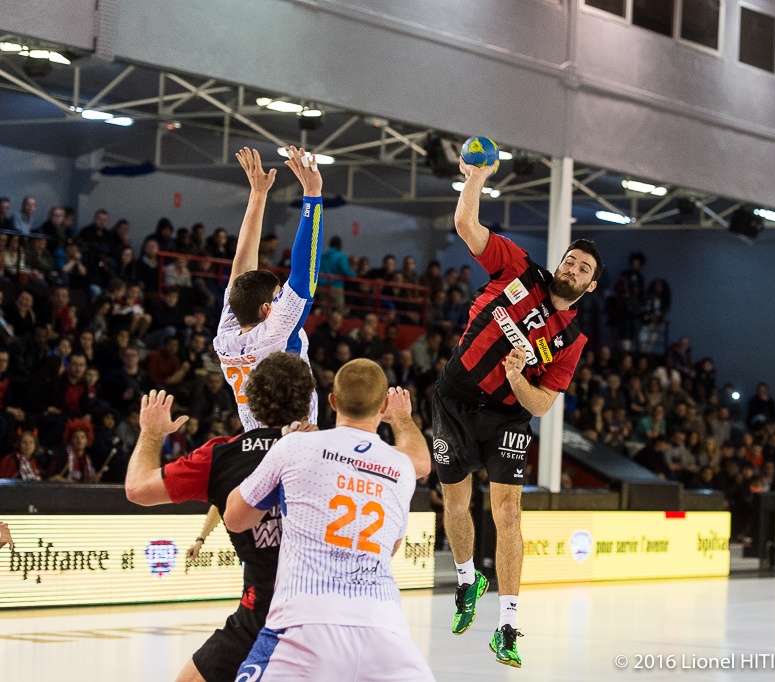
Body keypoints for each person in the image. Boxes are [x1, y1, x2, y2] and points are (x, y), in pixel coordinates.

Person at [434, 158, 603, 667]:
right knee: (456, 502)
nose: (573, 270)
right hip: (455, 398)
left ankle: (507, 626)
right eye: (571, 261)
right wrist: (476, 178)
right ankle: (468, 580)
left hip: (508, 416)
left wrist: (516, 380)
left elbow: (544, 404)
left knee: (508, 513)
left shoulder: (572, 340)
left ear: (591, 286)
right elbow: (466, 224)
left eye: (584, 269)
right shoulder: (518, 268)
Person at [223, 359, 433, 681]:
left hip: (303, 622)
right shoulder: (400, 467)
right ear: (383, 406)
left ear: (332, 401)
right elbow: (390, 546)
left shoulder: (295, 445)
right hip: (383, 627)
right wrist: (402, 417)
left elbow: (235, 519)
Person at [124, 352, 317, 682]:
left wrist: (152, 433)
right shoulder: (329, 449)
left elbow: (138, 488)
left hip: (262, 613)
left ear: (251, 402)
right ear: (307, 403)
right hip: (328, 613)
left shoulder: (221, 455)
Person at [213, 146, 324, 432]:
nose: (281, 299)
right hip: (295, 438)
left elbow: (241, 268)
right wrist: (312, 195)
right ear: (266, 309)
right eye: (277, 296)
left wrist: (258, 194)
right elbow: (304, 271)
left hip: (255, 440)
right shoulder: (275, 331)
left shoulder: (226, 335)